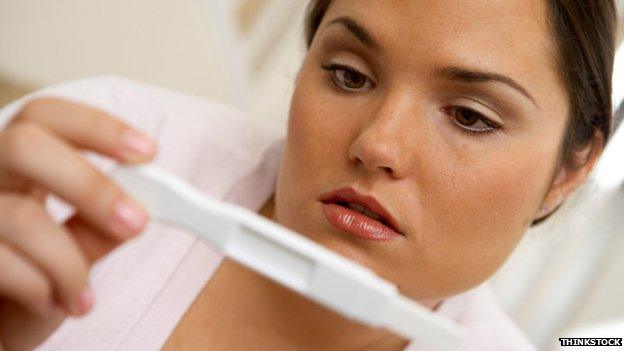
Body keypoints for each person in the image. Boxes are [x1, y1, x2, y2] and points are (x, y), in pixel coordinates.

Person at [0, 0, 617, 350]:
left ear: (569, 170)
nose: (377, 144)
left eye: (469, 116)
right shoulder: (96, 159)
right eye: (349, 75)